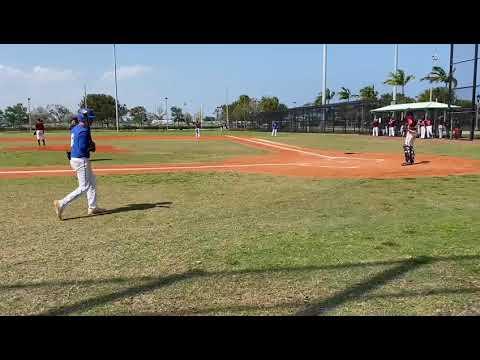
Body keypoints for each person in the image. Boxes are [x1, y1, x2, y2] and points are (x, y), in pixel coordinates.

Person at [53, 109, 106, 220]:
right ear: (85, 119)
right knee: (84, 187)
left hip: (75, 158)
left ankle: (93, 207)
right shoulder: (84, 131)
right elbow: (83, 148)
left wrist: (90, 144)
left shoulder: (76, 128)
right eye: (90, 119)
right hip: (81, 159)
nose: (92, 121)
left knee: (92, 181)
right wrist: (91, 146)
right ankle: (61, 203)